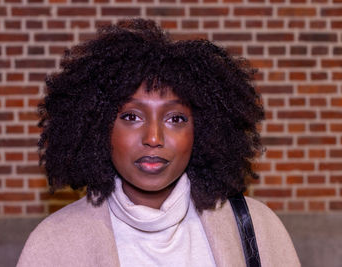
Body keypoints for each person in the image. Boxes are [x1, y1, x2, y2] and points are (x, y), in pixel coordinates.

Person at [17, 18, 300, 266]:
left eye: (175, 119)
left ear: (202, 130)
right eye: (131, 116)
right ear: (98, 126)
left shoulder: (256, 229)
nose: (153, 138)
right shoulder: (54, 243)